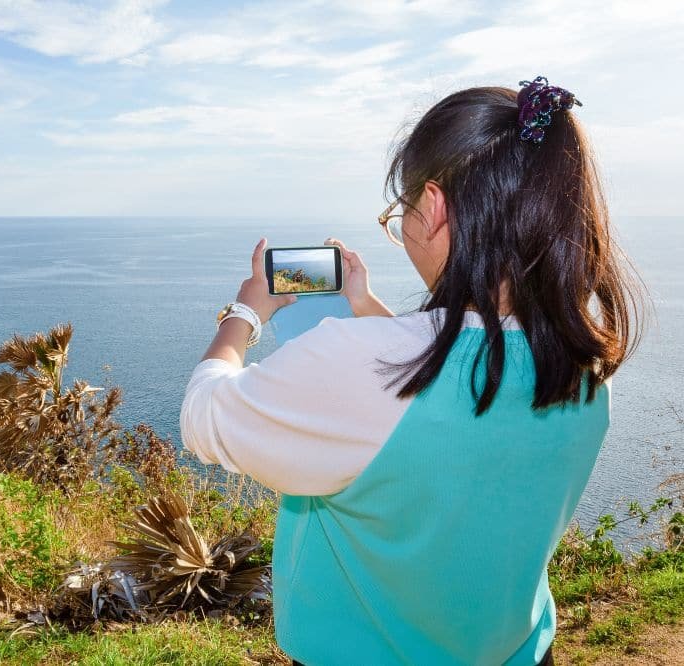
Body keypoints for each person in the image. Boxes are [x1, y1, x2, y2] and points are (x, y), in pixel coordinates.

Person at [178, 77, 646, 665]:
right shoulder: (586, 367)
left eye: (399, 213)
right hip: (516, 652)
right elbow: (460, 373)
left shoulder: (358, 363)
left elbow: (203, 414)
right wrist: (370, 309)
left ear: (434, 206)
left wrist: (245, 309)